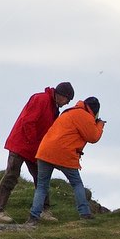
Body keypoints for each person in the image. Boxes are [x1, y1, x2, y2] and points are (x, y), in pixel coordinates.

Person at [0, 81, 74, 220]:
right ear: (61, 95)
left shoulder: (53, 107)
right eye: (67, 99)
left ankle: (44, 210)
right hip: (21, 144)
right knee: (12, 175)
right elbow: (28, 122)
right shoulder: (41, 99)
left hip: (34, 148)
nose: (67, 103)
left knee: (42, 178)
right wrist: (34, 143)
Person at [28, 96, 105, 224]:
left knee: (41, 186)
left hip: (45, 151)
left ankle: (33, 217)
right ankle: (85, 213)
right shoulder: (85, 116)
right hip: (63, 153)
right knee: (76, 184)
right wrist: (100, 125)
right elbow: (93, 137)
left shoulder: (69, 112)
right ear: (95, 110)